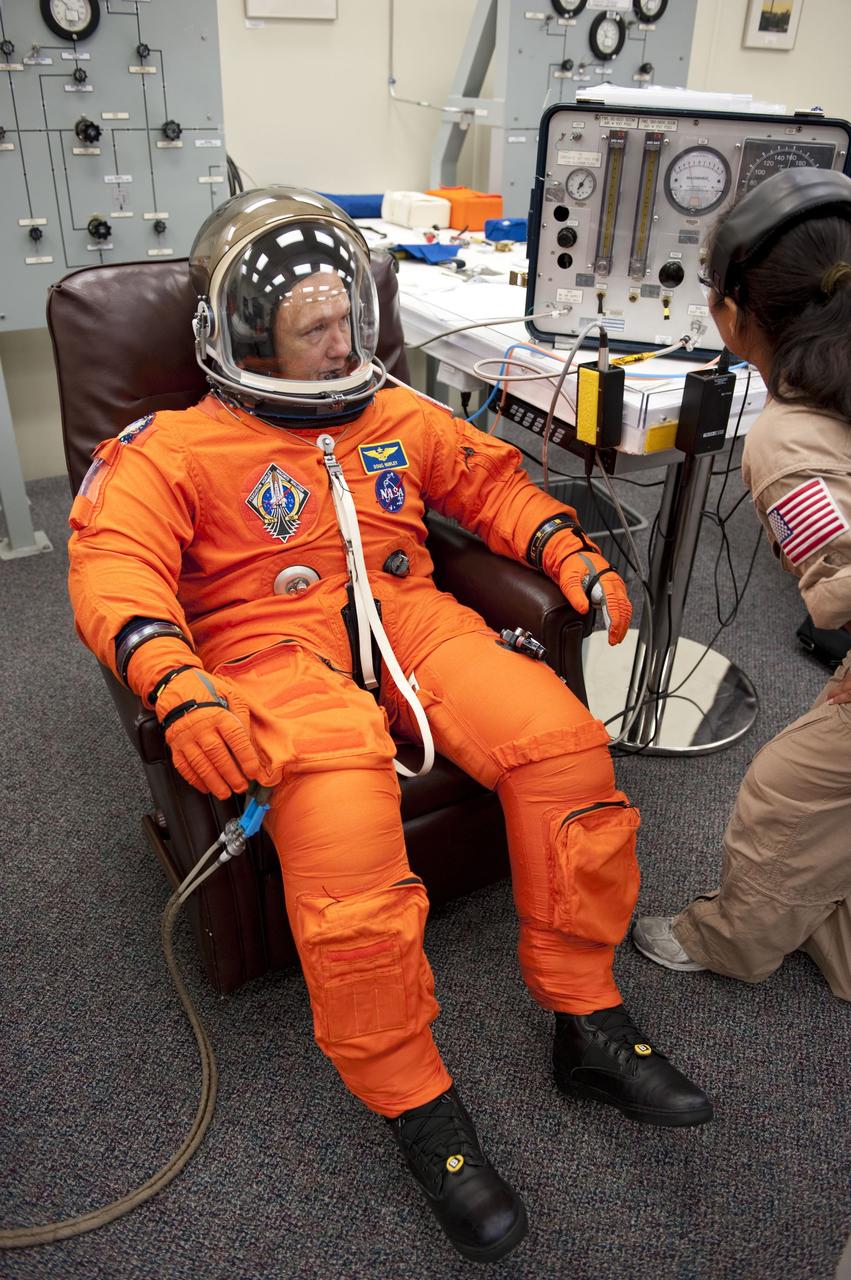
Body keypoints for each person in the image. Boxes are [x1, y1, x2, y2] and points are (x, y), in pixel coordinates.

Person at [68, 187, 711, 1264]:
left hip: (409, 612)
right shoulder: (169, 449)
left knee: (565, 749)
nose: (339, 341)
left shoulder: (396, 412)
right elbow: (114, 566)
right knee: (349, 846)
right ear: (240, 336)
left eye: (346, 318)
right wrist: (176, 684)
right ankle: (417, 1105)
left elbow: (493, 483)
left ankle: (584, 1016)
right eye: (311, 325)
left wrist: (564, 550)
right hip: (266, 646)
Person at [634, 167, 851, 1005]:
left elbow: (840, 588)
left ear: (731, 312)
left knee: (785, 794)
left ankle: (728, 942)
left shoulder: (787, 438)